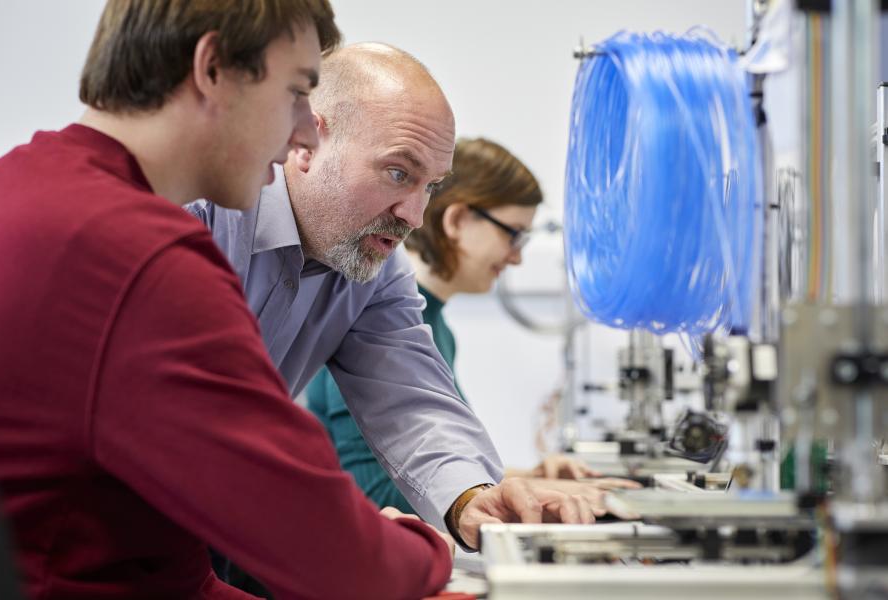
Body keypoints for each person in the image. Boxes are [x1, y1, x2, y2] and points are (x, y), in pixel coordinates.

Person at [0, 2, 462, 598]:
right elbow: (330, 552)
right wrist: (425, 553)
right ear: (212, 68)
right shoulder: (140, 255)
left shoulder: (16, 186)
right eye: (295, 93)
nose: (302, 133)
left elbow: (158, 566)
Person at [188, 41, 610, 563]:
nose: (414, 214)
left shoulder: (375, 270)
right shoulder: (201, 215)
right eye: (397, 173)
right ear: (306, 140)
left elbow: (410, 398)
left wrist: (469, 497)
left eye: (431, 186)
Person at [306, 137, 629, 514]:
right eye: (513, 234)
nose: (517, 258)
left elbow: (432, 473)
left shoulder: (435, 325)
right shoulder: (377, 324)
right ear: (457, 219)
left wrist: (529, 479)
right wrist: (533, 489)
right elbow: (377, 493)